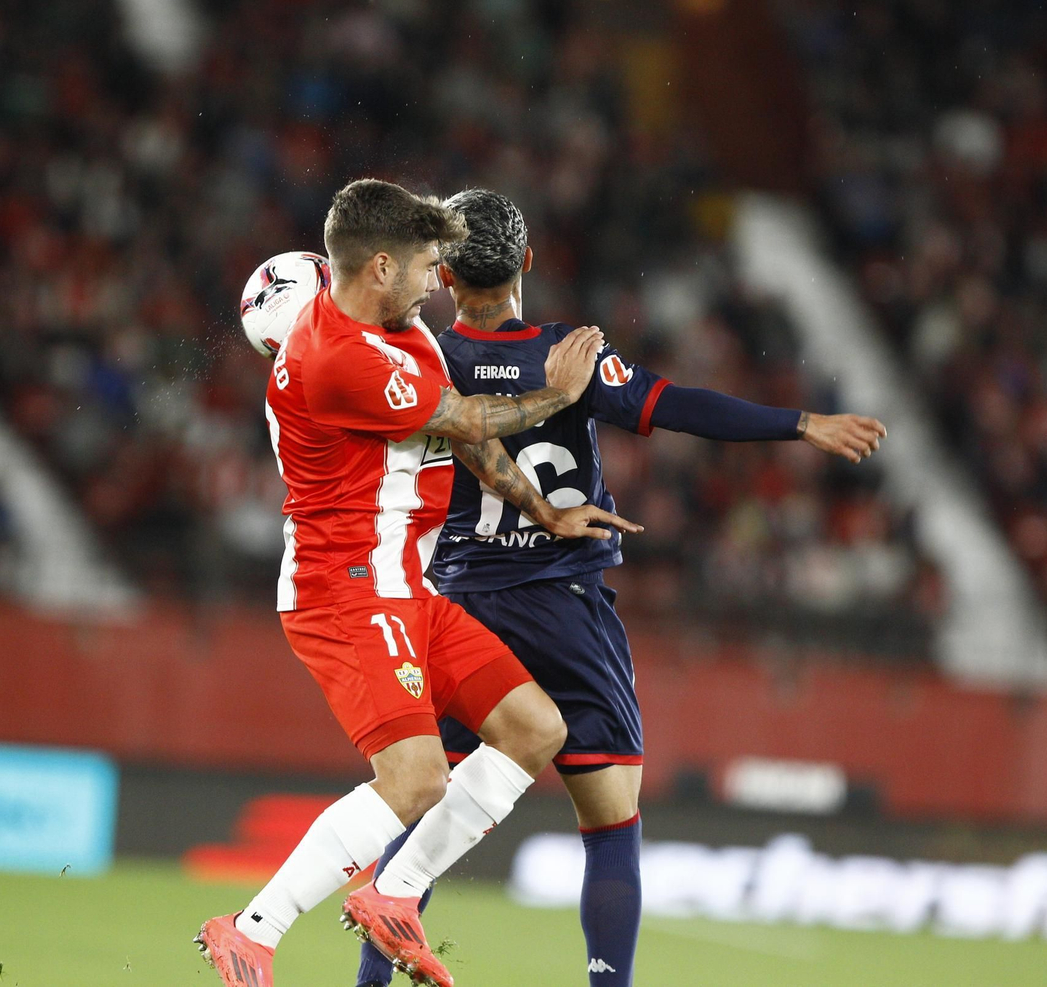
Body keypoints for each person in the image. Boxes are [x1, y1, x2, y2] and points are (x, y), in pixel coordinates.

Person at [353, 189, 888, 987]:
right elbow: (681, 407)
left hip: (459, 609)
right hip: (566, 611)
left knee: (424, 816)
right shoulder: (568, 354)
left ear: (446, 274)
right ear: (528, 262)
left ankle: (367, 984)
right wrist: (800, 423)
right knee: (609, 825)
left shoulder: (424, 357)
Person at [195, 179, 639, 987]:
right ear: (379, 267)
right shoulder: (335, 359)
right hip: (347, 592)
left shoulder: (401, 328)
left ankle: (393, 894)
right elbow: (471, 421)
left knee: (536, 729)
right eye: (430, 263)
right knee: (417, 776)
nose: (443, 277)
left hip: (407, 586)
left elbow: (461, 434)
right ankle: (252, 928)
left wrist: (542, 508)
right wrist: (560, 396)